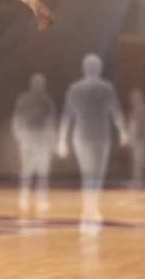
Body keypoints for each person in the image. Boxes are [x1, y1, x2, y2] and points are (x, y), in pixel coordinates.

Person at [57, 54, 128, 233]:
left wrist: (61, 140)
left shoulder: (75, 88)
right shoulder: (106, 88)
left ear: (84, 68)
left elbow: (67, 116)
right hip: (100, 136)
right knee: (96, 174)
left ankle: (88, 210)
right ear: (99, 68)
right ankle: (92, 210)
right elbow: (116, 112)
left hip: (81, 136)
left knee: (87, 174)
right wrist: (123, 131)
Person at [12, 73, 58, 213]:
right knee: (38, 171)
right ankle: (36, 200)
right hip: (36, 139)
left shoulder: (26, 99)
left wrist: (18, 135)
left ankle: (27, 198)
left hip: (31, 139)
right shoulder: (45, 100)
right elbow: (51, 122)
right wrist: (53, 141)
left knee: (30, 170)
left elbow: (16, 119)